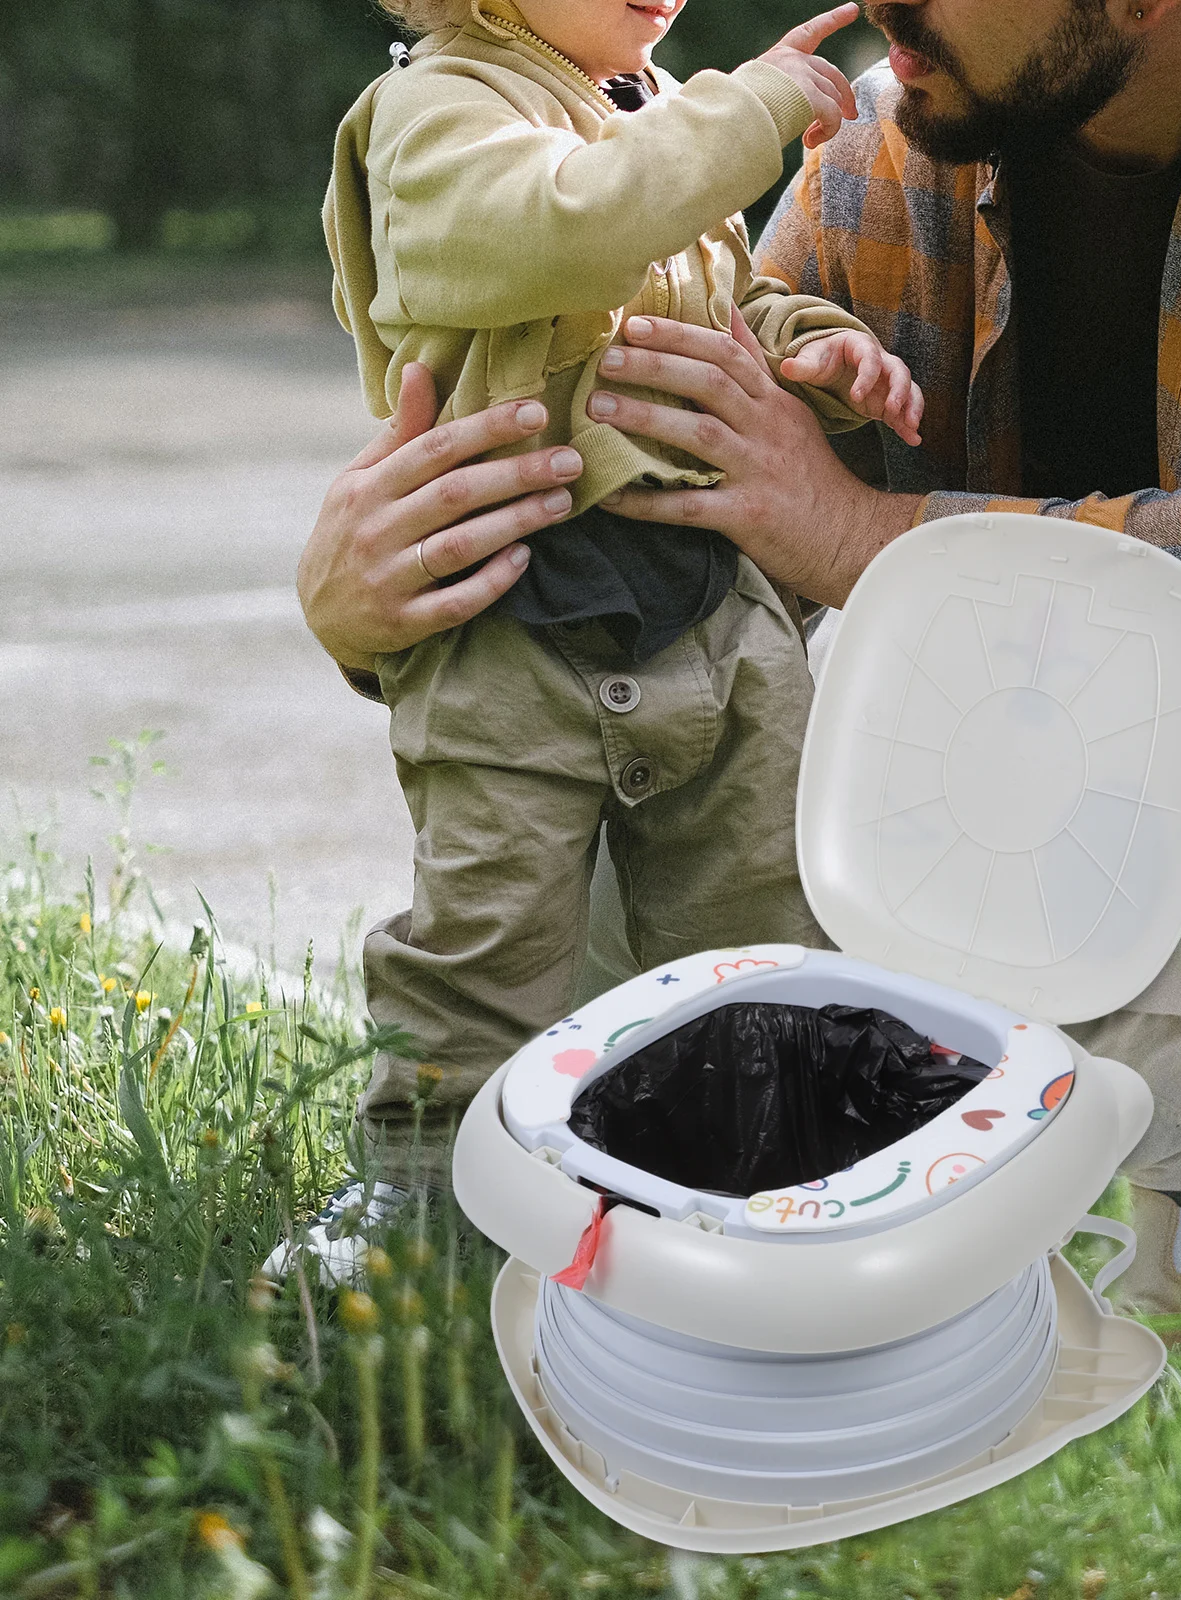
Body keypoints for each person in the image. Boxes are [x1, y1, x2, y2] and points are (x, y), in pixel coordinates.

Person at [299, 0, 1181, 1477]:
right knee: (665, 908)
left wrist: (864, 530)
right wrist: (367, 601)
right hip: (1093, 742)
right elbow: (696, 533)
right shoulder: (910, 108)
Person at [312, 0, 928, 1202]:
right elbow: (565, 230)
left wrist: (813, 344)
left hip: (708, 614)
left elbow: (714, 298)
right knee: (488, 952)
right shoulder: (437, 109)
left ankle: (757, 1192)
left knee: (763, 931)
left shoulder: (643, 107)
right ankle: (426, 1220)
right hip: (507, 628)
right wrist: (745, 108)